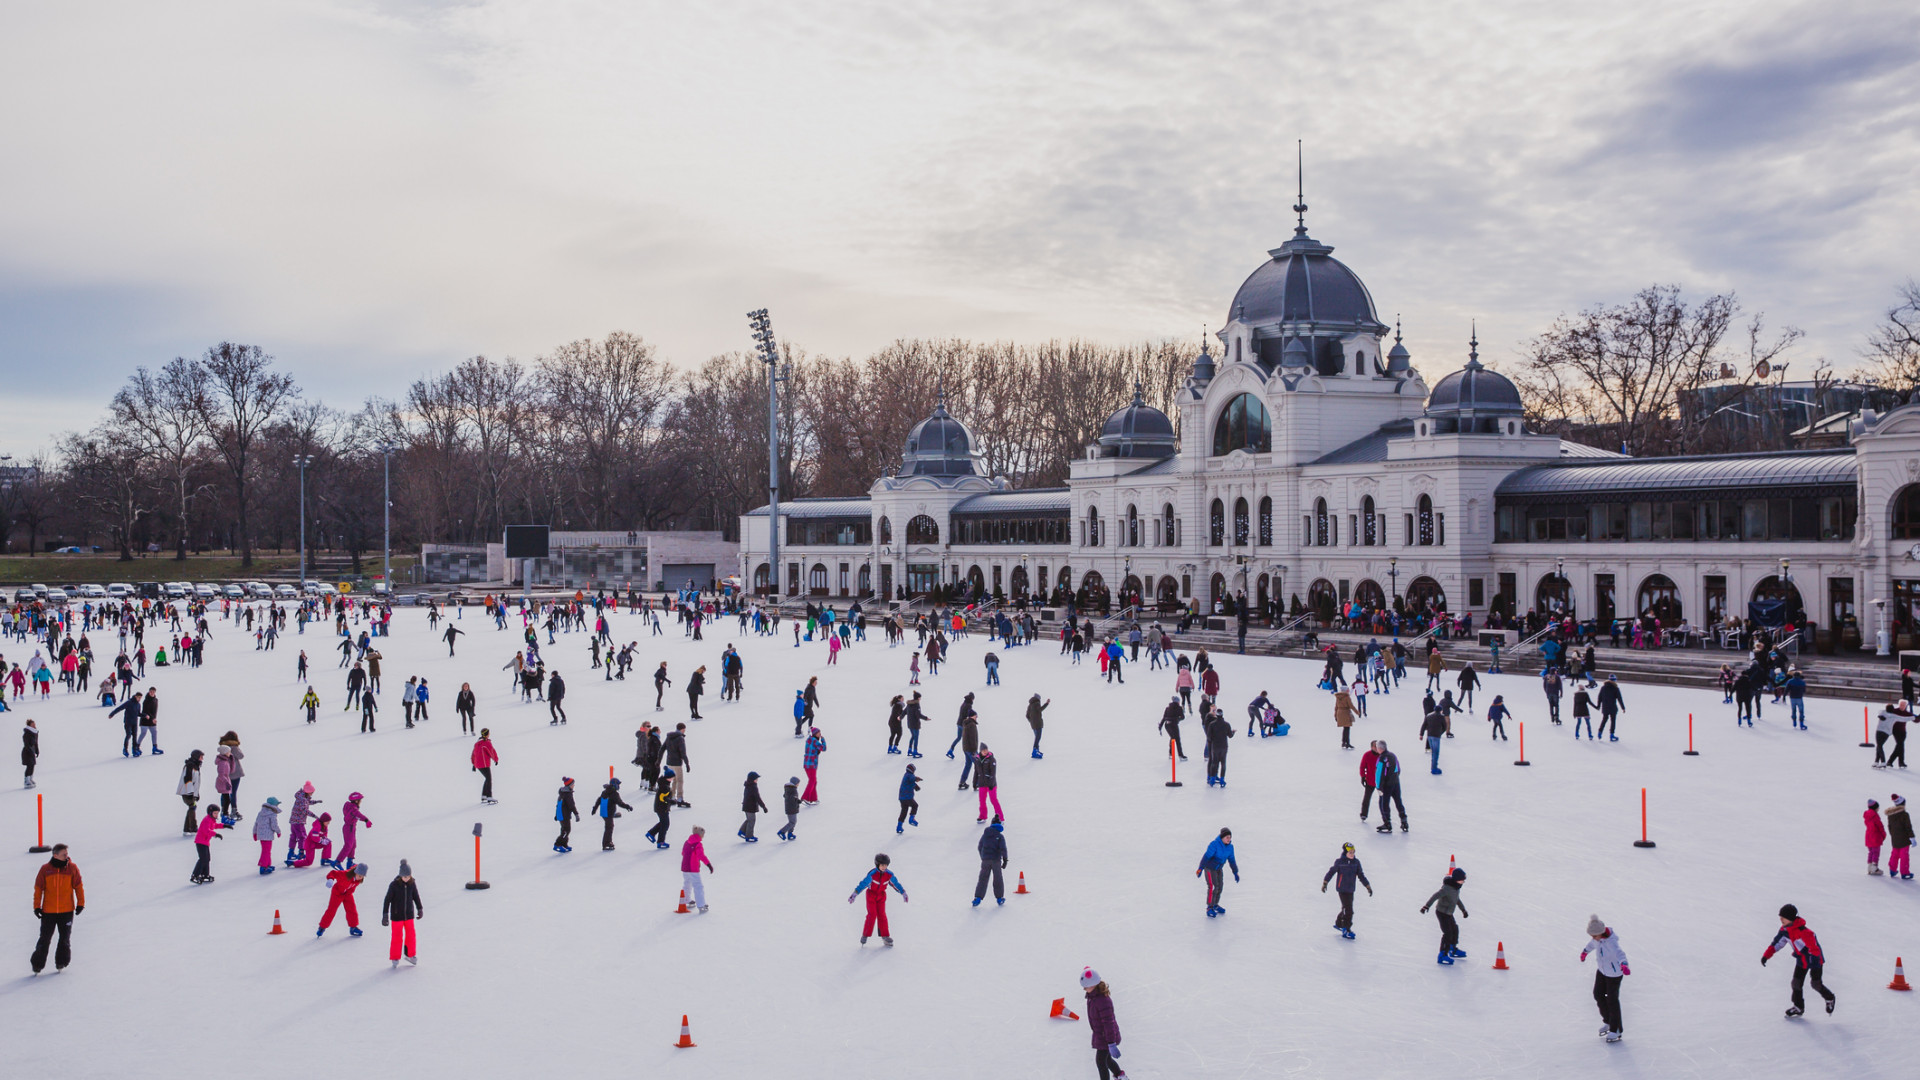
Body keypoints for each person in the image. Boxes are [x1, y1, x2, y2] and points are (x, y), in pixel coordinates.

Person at [1762, 903, 1836, 1017]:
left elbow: (1814, 950)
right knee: (1796, 984)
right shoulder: (1784, 930)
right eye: (1780, 917)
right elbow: (1777, 943)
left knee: (1815, 984)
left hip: (1815, 960)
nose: (1780, 919)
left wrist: (1814, 965)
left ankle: (1830, 998)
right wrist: (1766, 955)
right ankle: (1798, 1007)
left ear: (1790, 918)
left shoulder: (1805, 932)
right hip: (1801, 959)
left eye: (1783, 917)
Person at [30, 843, 84, 974]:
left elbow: (78, 886)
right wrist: (37, 907)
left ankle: (61, 962)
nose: (67, 856)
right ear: (55, 855)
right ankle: (37, 964)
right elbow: (38, 889)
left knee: (64, 938)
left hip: (66, 911)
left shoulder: (72, 868)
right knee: (45, 938)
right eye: (64, 854)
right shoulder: (45, 869)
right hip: (49, 911)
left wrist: (80, 903)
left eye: (67, 854)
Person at [1580, 914, 1630, 1041]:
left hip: (1614, 974)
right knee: (1598, 994)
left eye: (1594, 936)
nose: (1593, 938)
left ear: (1601, 933)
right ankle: (1608, 1021)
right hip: (1602, 971)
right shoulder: (1597, 939)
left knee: (1612, 1000)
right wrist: (1585, 951)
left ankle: (1616, 1029)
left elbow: (1620, 954)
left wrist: (1624, 965)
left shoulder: (1611, 943)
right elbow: (1592, 944)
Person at [848, 853, 907, 946]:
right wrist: (855, 893)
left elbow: (895, 884)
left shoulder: (889, 875)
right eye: (882, 865)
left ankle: (885, 936)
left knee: (882, 915)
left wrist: (902, 892)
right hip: (871, 895)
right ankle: (865, 935)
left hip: (881, 896)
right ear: (877, 865)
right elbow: (863, 884)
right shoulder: (872, 875)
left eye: (886, 865)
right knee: (872, 915)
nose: (884, 867)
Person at [1082, 968, 1128, 1080]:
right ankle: (1120, 1076)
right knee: (1106, 1060)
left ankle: (1119, 1076)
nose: (1084, 989)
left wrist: (1111, 1043)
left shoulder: (1102, 1001)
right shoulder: (1093, 997)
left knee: (1100, 1062)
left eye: (1086, 987)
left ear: (1093, 985)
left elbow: (1109, 1023)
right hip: (1102, 1035)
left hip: (1107, 1036)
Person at [1420, 867, 1469, 965]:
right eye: (1462, 880)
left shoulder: (1456, 888)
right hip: (1442, 913)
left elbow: (1457, 900)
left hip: (1449, 913)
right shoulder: (1447, 888)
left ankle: (1452, 949)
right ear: (1456, 879)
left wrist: (1463, 910)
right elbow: (1435, 896)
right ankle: (1442, 955)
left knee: (1455, 929)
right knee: (1448, 933)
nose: (1463, 882)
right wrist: (1426, 906)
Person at [381, 860, 424, 968]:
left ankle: (410, 955)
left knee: (411, 935)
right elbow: (387, 900)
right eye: (405, 877)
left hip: (409, 914)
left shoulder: (412, 883)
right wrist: (385, 914)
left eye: (408, 876)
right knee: (397, 936)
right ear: (400, 876)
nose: (407, 878)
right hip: (397, 916)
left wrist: (420, 908)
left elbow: (416, 896)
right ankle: (395, 957)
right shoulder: (394, 885)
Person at [1196, 827, 1238, 917]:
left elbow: (1232, 860)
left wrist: (1235, 872)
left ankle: (1215, 904)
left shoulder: (1230, 847)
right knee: (1213, 886)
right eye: (1227, 837)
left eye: (1230, 837)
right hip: (1209, 868)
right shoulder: (1214, 844)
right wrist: (1200, 868)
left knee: (1220, 886)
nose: (1229, 839)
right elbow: (1206, 857)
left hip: (1219, 868)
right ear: (1222, 837)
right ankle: (1209, 907)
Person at [317, 862, 367, 937]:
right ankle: (322, 927)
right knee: (331, 910)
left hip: (347, 894)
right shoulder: (345, 874)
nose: (360, 878)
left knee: (352, 910)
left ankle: (353, 927)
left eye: (362, 876)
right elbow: (333, 873)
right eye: (359, 876)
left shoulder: (358, 880)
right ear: (355, 872)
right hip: (337, 893)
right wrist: (330, 879)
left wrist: (349, 892)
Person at [973, 818, 1008, 906]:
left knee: (983, 879)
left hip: (985, 860)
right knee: (998, 879)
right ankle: (999, 898)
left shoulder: (985, 835)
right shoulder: (1000, 836)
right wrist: (1005, 860)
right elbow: (1003, 849)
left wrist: (983, 857)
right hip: (996, 861)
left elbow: (980, 846)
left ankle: (977, 898)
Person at [1374, 741, 1407, 833]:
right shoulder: (1392, 755)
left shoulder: (1381, 758)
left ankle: (1387, 823)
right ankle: (1404, 820)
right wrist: (1394, 778)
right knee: (1398, 802)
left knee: (1384, 804)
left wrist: (1379, 787)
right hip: (1395, 783)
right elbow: (1398, 769)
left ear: (1379, 748)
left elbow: (1379, 774)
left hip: (1386, 785)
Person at [190, 805, 229, 883]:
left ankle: (205, 874)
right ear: (210, 813)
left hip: (205, 842)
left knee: (207, 859)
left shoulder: (211, 820)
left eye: (217, 813)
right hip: (200, 842)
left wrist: (224, 826)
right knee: (203, 859)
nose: (216, 815)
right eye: (215, 813)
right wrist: (215, 834)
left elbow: (215, 825)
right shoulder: (207, 820)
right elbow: (206, 830)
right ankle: (195, 875)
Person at [680, 825, 712, 913]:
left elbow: (683, 853)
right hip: (693, 868)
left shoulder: (687, 842)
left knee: (687, 883)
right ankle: (701, 905)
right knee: (698, 886)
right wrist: (708, 864)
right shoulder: (698, 844)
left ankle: (686, 900)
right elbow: (701, 855)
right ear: (700, 835)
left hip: (685, 867)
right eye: (703, 835)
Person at [595, 778, 632, 851]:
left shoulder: (605, 791)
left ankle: (608, 842)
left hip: (604, 812)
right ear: (614, 785)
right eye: (618, 784)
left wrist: (595, 808)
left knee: (609, 827)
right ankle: (606, 843)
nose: (619, 786)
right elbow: (620, 803)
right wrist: (628, 807)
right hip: (608, 813)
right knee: (609, 827)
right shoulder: (614, 794)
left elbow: (599, 799)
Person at [1203, 708, 1233, 788]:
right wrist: (1233, 732)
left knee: (1214, 762)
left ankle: (1212, 779)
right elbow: (1230, 735)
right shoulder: (1226, 724)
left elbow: (1209, 737)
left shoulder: (1212, 724)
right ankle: (1222, 779)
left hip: (1215, 746)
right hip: (1224, 746)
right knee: (1223, 763)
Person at [253, 796, 283, 876]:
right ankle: (263, 867)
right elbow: (274, 825)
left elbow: (256, 823)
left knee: (266, 850)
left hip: (261, 835)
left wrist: (255, 833)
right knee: (266, 851)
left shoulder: (260, 813)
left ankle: (267, 865)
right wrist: (278, 832)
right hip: (268, 835)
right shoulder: (272, 814)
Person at [175, 748, 203, 833]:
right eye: (201, 757)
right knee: (192, 807)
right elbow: (188, 779)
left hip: (190, 792)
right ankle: (192, 827)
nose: (202, 759)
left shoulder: (195, 765)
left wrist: (196, 794)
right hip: (187, 792)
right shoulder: (190, 766)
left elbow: (196, 781)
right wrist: (190, 792)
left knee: (192, 807)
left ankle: (188, 828)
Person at [973, 745, 1003, 821]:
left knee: (993, 800)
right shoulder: (977, 759)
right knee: (982, 801)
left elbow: (993, 773)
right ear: (980, 751)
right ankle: (983, 816)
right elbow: (976, 772)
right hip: (982, 783)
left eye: (986, 749)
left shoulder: (991, 759)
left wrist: (991, 784)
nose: (985, 751)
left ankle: (1000, 817)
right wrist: (974, 782)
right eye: (983, 750)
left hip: (991, 784)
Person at [1888, 795, 1914, 880]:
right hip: (1904, 839)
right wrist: (1912, 837)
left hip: (1895, 838)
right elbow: (1908, 827)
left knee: (1895, 854)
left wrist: (1893, 835)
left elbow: (1889, 827)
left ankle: (1892, 869)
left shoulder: (1890, 815)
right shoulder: (1904, 815)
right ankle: (1905, 872)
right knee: (1904, 856)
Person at [647, 778, 676, 849]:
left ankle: (651, 833)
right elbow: (663, 798)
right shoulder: (664, 787)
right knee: (665, 824)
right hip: (662, 809)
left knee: (663, 823)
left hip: (661, 808)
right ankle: (660, 841)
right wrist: (670, 801)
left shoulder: (663, 786)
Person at [472, 728, 499, 803]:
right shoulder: (486, 743)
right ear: (487, 734)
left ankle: (484, 795)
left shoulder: (477, 743)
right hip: (484, 764)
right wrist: (496, 759)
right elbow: (491, 752)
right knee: (489, 779)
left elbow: (473, 754)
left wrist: (473, 764)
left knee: (487, 778)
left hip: (478, 765)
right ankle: (489, 796)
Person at [739, 771, 767, 842]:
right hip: (750, 807)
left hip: (746, 806)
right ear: (752, 779)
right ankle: (749, 836)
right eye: (756, 778)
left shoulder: (748, 785)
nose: (757, 780)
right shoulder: (753, 787)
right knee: (751, 821)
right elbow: (758, 798)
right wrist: (763, 807)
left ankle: (741, 831)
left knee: (749, 819)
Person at [554, 777, 579, 852]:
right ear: (569, 785)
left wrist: (556, 815)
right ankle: (557, 844)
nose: (574, 785)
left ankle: (564, 844)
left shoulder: (562, 793)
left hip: (561, 814)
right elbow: (571, 805)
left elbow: (558, 805)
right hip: (564, 815)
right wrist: (576, 814)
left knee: (564, 829)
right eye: (573, 784)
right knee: (566, 830)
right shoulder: (568, 794)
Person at [802, 726, 827, 804]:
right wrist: (823, 740)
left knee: (814, 781)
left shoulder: (810, 740)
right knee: (812, 780)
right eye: (818, 732)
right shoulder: (814, 741)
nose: (820, 734)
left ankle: (813, 798)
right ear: (815, 734)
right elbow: (824, 748)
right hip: (811, 764)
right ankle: (805, 798)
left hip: (807, 764)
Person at [1596, 675, 1625, 741]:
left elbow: (1599, 697)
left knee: (1604, 719)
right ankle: (1612, 735)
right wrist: (1623, 707)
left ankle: (1600, 732)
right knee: (1613, 721)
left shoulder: (1603, 688)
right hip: (1613, 707)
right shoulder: (1615, 688)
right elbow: (1619, 699)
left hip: (1605, 707)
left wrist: (1598, 706)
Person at [1420, 707, 1448, 774]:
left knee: (1433, 752)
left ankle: (1433, 767)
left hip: (1429, 736)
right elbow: (1445, 727)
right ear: (1440, 710)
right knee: (1436, 753)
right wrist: (1440, 733)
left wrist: (1421, 734)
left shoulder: (1429, 716)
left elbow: (1424, 725)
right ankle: (1434, 768)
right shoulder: (1441, 717)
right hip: (1436, 736)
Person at [896, 764, 921, 833]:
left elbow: (911, 782)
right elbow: (912, 779)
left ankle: (899, 826)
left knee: (904, 811)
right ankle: (911, 819)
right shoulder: (910, 776)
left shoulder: (906, 775)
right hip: (907, 797)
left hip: (901, 798)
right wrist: (916, 779)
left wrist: (916, 787)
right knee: (915, 805)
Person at [1865, 798, 1886, 876]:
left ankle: (1870, 867)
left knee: (1871, 852)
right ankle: (1874, 868)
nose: (1878, 809)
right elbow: (1880, 826)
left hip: (1868, 836)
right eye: (1878, 807)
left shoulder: (1867, 816)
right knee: (1876, 852)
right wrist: (1883, 834)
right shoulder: (1875, 816)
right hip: (1875, 836)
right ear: (1875, 808)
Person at [777, 776, 801, 841]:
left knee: (793, 821)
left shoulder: (789, 788)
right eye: (798, 783)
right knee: (792, 822)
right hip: (791, 808)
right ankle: (782, 832)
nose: (799, 784)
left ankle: (790, 834)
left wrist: (796, 799)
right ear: (795, 783)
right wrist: (797, 800)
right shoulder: (793, 789)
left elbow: (786, 796)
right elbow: (791, 798)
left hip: (791, 807)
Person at [1027, 693, 1049, 759]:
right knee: (1038, 738)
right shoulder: (1037, 703)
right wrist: (1046, 703)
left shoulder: (1030, 705)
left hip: (1033, 725)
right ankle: (1035, 751)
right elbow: (1040, 710)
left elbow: (1027, 716)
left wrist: (1031, 721)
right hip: (1038, 724)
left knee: (1037, 737)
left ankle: (1037, 751)